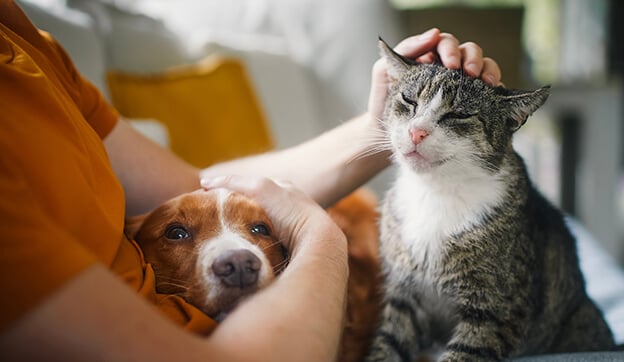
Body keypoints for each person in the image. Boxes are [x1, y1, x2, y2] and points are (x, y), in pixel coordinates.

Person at [0, 0, 501, 360]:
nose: (239, 259)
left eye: (262, 233)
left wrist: (379, 131)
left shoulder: (28, 44)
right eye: (176, 234)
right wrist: (319, 238)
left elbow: (204, 188)